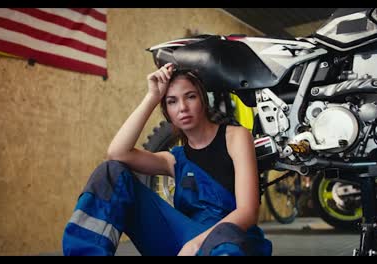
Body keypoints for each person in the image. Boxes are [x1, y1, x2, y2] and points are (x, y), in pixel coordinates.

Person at [62, 62, 272, 256]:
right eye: (172, 101)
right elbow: (117, 153)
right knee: (111, 172)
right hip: (184, 242)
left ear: (203, 100)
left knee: (225, 246)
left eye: (190, 96)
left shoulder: (236, 137)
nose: (182, 107)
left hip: (231, 240)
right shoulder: (174, 160)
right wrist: (152, 96)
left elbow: (248, 211)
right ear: (167, 112)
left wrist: (196, 244)